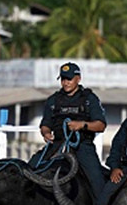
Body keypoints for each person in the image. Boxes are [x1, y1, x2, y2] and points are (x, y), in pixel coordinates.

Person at [30, 62, 107, 197]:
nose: (66, 83)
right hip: (57, 144)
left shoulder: (89, 99)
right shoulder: (53, 100)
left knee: (97, 180)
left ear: (78, 79)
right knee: (31, 169)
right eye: (63, 79)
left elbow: (101, 125)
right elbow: (45, 124)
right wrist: (46, 133)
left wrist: (82, 125)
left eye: (69, 79)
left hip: (82, 146)